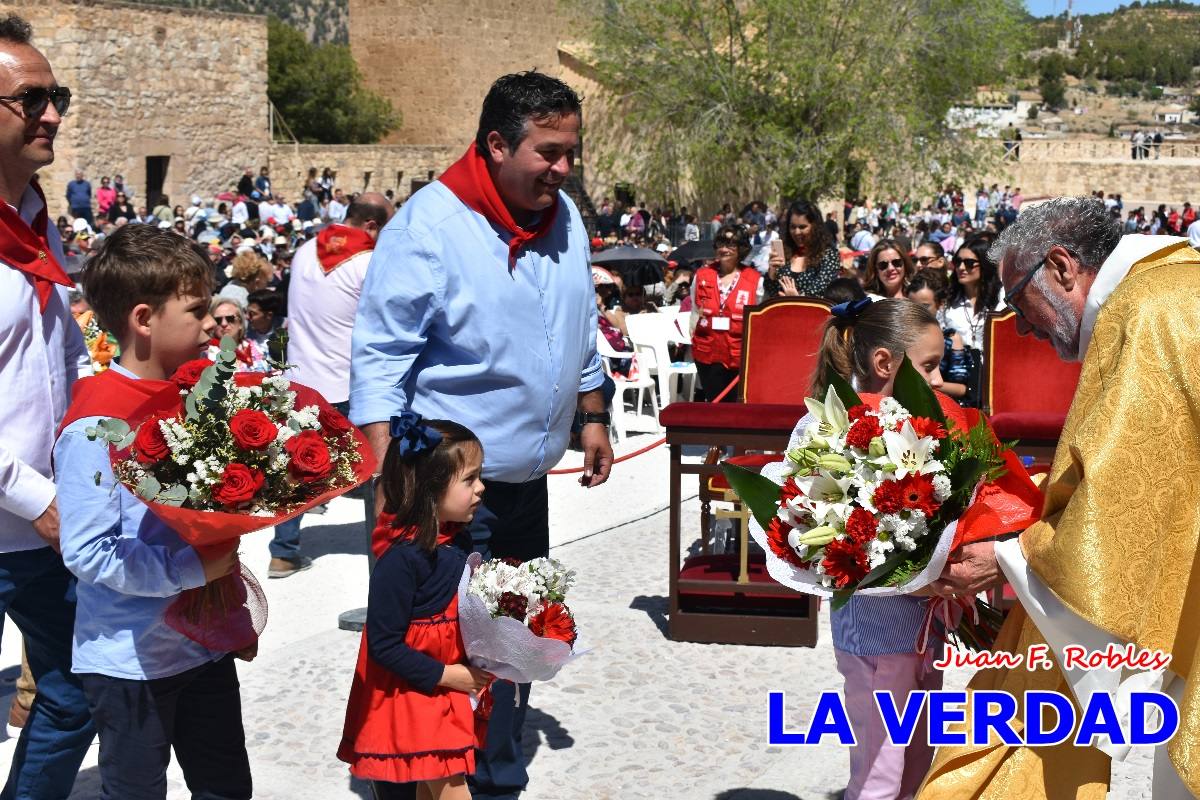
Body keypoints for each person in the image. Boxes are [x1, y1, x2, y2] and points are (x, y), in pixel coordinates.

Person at [351, 71, 612, 800]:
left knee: (515, 637)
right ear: (497, 144)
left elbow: (577, 326)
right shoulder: (427, 229)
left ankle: (493, 778)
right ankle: (421, 782)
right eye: (549, 153)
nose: (564, 170)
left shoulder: (564, 218)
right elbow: (379, 365)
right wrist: (391, 495)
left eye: (571, 153)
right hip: (451, 495)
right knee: (438, 652)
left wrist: (591, 414)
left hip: (526, 489)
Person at [918, 196, 1197, 799]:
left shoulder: (1144, 313)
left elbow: (1122, 500)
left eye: (1020, 299)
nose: (1019, 326)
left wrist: (1008, 560)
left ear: (1064, 266)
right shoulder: (1181, 288)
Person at [57, 223, 250, 800]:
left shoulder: (193, 396)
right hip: (129, 662)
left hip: (201, 642)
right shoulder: (96, 425)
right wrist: (193, 570)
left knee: (225, 786)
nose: (214, 324)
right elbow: (87, 550)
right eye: (196, 311)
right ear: (144, 319)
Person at [0, 14, 96, 797]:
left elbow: (63, 362)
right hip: (28, 511)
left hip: (39, 528)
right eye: (32, 99)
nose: (53, 114)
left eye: (55, 95)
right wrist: (36, 497)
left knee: (74, 692)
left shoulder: (35, 223)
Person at [807, 297, 947, 800]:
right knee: (878, 763)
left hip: (923, 628)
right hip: (874, 631)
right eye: (929, 366)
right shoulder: (837, 430)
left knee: (917, 758)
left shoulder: (920, 426)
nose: (937, 380)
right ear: (885, 363)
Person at [338, 415, 492, 800]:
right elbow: (384, 645)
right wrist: (450, 676)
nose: (481, 488)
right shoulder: (401, 560)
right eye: (470, 479)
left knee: (433, 783)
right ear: (431, 488)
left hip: (445, 684)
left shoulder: (459, 539)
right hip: (416, 692)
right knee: (450, 784)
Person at [272, 192, 393, 578]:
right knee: (376, 471)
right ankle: (383, 550)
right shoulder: (370, 262)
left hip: (300, 378)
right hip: (347, 382)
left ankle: (283, 551)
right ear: (371, 225)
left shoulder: (306, 249)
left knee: (294, 467)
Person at [690, 224, 760, 402]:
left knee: (735, 406)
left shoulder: (754, 279)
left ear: (741, 248)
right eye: (721, 244)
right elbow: (694, 310)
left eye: (731, 244)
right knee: (714, 402)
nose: (724, 249)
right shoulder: (702, 275)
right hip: (707, 353)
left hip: (739, 355)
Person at [905, 269, 974, 406]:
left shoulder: (950, 339)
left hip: (942, 406)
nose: (918, 312)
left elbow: (961, 388)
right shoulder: (902, 335)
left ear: (940, 304)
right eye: (913, 306)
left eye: (925, 306)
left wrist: (923, 383)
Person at [941, 234, 1003, 357]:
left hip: (993, 370)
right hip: (958, 371)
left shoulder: (1003, 299)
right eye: (957, 262)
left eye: (969, 263)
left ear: (985, 265)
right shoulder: (948, 300)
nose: (961, 267)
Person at [764, 199, 839, 298]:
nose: (797, 232)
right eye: (792, 227)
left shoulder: (829, 254)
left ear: (815, 227)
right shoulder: (784, 253)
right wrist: (772, 273)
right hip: (782, 312)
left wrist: (797, 299)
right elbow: (771, 291)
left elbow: (822, 289)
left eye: (802, 227)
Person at [207, 297, 267, 373]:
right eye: (218, 320)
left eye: (230, 319)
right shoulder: (206, 354)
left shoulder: (256, 348)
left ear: (241, 323)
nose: (224, 324)